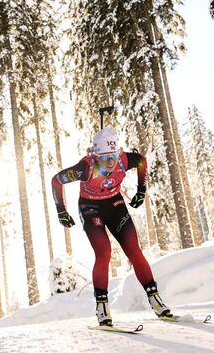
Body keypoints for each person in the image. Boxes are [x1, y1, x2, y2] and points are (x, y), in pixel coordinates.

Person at [51, 127, 173, 326]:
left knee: (134, 251)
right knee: (104, 253)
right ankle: (102, 308)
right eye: (105, 157)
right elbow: (56, 180)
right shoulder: (85, 168)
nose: (110, 161)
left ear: (119, 152)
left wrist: (141, 191)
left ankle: (156, 300)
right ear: (95, 155)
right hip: (90, 208)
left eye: (114, 155)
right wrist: (61, 210)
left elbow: (141, 161)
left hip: (115, 205)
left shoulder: (124, 160)